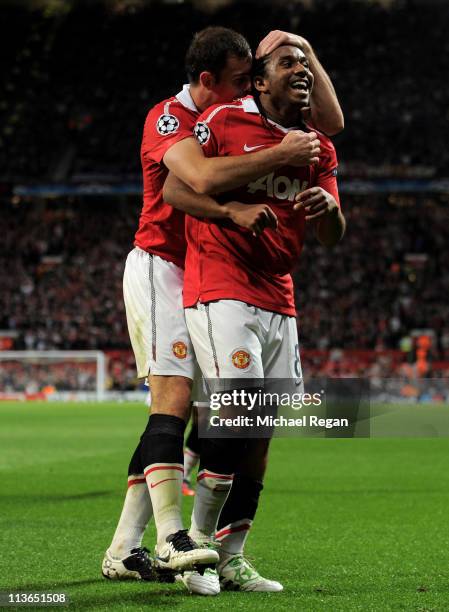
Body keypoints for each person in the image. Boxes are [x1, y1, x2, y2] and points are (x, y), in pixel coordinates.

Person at [102, 26, 343, 595]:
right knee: (181, 402)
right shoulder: (176, 119)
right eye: (241, 82)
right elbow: (198, 183)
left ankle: (127, 548)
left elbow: (329, 125)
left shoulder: (271, 121)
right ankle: (173, 539)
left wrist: (304, 48)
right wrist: (240, 203)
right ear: (211, 80)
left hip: (233, 273)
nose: (245, 95)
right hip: (168, 264)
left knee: (234, 420)